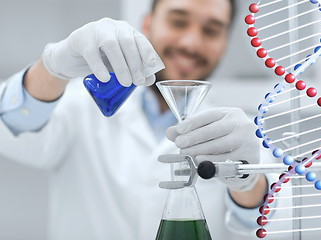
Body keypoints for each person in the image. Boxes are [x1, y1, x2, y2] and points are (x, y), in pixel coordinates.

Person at [0, 0, 278, 239]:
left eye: (211, 30)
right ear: (147, 25)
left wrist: (247, 180)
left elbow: (269, 222)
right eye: (178, 22)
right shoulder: (80, 106)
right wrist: (51, 69)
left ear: (224, 43)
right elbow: (12, 128)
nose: (191, 43)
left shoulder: (237, 134)